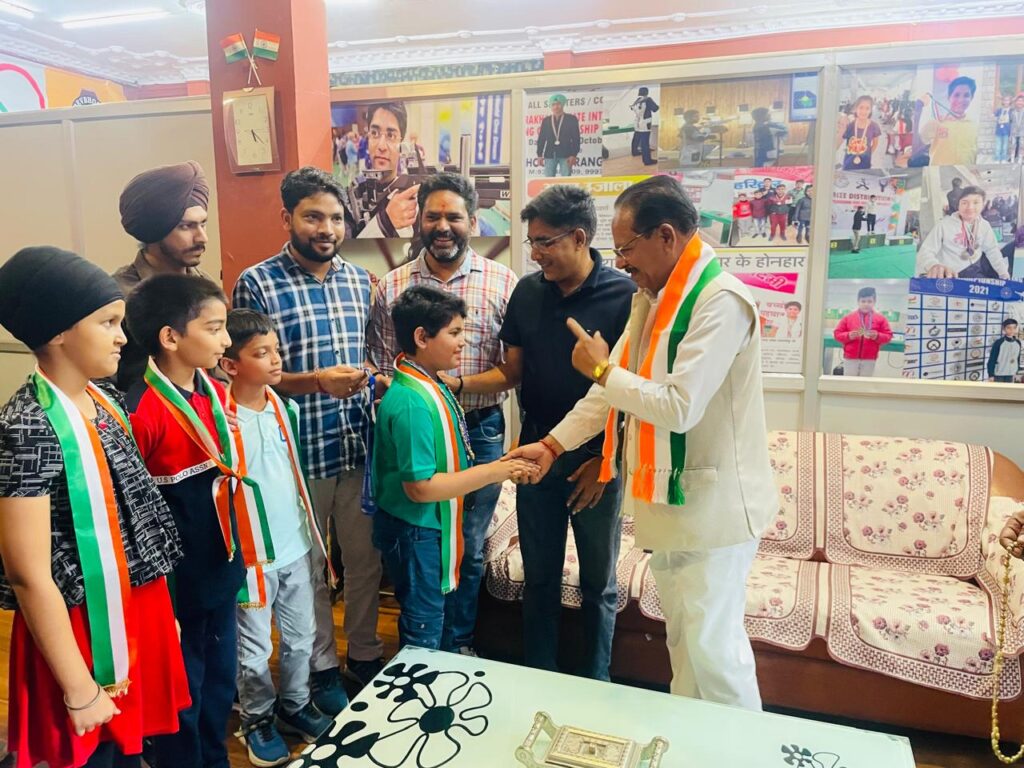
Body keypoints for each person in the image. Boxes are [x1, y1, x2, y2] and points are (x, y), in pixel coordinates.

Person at [507, 175, 777, 710]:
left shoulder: (720, 300)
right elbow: (608, 395)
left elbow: (677, 406)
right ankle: (696, 743)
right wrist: (553, 446)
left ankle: (742, 746)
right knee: (686, 647)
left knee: (716, 654)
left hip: (713, 512)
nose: (622, 261)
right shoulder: (651, 299)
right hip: (673, 508)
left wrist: (602, 369)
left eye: (627, 248)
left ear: (666, 236)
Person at [0, 247, 189, 768]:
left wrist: (163, 614)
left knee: (130, 749)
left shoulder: (104, 398)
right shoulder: (26, 426)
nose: (122, 337)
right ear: (58, 330)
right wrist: (79, 687)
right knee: (94, 758)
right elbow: (28, 572)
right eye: (107, 322)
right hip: (81, 623)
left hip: (136, 603)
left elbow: (136, 514)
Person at [455, 185, 636, 680]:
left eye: (545, 242)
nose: (535, 253)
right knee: (539, 579)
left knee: (599, 584)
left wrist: (606, 463)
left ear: (579, 237)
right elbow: (513, 372)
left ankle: (597, 685)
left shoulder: (625, 297)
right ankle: (540, 678)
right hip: (536, 455)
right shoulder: (528, 292)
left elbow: (633, 394)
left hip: (596, 462)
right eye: (531, 241)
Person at [232, 167, 383, 710]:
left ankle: (363, 653)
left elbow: (374, 356)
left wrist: (374, 378)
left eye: (336, 218)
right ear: (287, 218)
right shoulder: (257, 282)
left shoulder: (361, 281)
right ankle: (321, 668)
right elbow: (252, 374)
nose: (327, 229)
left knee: (365, 562)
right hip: (295, 452)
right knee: (311, 569)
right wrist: (317, 382)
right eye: (313, 217)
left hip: (356, 444)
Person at [368, 172, 517, 655]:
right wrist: (418, 399)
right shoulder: (392, 286)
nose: (443, 226)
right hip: (420, 432)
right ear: (419, 221)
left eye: (454, 216)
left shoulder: (503, 281)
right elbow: (384, 364)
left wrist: (455, 387)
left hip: (478, 427)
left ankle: (456, 646)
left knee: (466, 548)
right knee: (425, 545)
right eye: (432, 216)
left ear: (473, 220)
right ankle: (427, 648)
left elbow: (512, 369)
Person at [372, 286, 538, 651]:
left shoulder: (431, 383)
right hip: (416, 530)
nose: (463, 342)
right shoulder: (413, 401)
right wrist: (498, 470)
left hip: (427, 526)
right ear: (422, 337)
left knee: (436, 615)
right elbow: (422, 487)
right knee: (424, 625)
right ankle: (420, 683)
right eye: (455, 332)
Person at [124, 275, 243, 768]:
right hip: (177, 581)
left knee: (220, 680)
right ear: (170, 337)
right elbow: (132, 509)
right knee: (181, 690)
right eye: (214, 329)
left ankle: (214, 758)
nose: (227, 341)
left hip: (221, 564)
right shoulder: (141, 410)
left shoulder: (214, 392)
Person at [219, 309, 333, 766]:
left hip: (295, 545)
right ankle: (257, 717)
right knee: (254, 647)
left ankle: (296, 702)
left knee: (302, 635)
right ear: (230, 364)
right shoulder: (219, 418)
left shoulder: (286, 408)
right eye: (261, 353)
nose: (275, 360)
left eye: (276, 350)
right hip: (251, 554)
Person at [112, 161, 213, 391]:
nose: (202, 238)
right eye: (186, 226)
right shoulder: (119, 295)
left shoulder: (204, 285)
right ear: (156, 230)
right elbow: (102, 384)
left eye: (203, 224)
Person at [346, 102, 421, 238]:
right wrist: (385, 222)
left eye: (391, 136)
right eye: (374, 133)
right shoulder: (351, 196)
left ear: (401, 144)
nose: (381, 146)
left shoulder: (413, 197)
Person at [916, 185, 1010, 279]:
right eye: (964, 203)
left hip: (977, 268)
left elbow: (992, 250)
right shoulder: (944, 225)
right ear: (958, 205)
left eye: (976, 202)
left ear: (983, 205)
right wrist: (933, 265)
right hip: (952, 274)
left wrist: (1003, 272)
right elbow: (925, 252)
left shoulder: (984, 225)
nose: (970, 207)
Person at [832, 286, 893, 377]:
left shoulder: (881, 319)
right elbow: (837, 334)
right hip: (850, 358)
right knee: (849, 381)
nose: (866, 304)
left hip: (869, 358)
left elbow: (888, 336)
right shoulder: (848, 318)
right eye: (863, 301)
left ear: (874, 302)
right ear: (858, 302)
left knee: (865, 382)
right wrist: (848, 336)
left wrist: (877, 336)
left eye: (869, 301)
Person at [919, 76, 978, 166]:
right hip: (939, 174)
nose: (961, 100)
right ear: (949, 97)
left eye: (966, 95)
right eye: (956, 95)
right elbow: (918, 146)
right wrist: (918, 111)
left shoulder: (974, 125)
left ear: (972, 98)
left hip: (964, 174)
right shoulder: (937, 122)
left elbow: (973, 155)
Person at [536, 94, 582, 177]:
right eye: (553, 104)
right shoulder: (546, 120)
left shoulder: (571, 119)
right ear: (551, 106)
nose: (556, 107)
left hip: (566, 155)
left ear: (563, 104)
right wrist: (539, 155)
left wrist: (574, 155)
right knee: (549, 181)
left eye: (558, 104)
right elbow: (541, 138)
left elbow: (576, 138)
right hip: (550, 155)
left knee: (566, 180)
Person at [841, 96, 881, 170]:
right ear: (856, 109)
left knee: (862, 176)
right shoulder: (850, 125)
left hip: (865, 162)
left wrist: (867, 153)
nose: (863, 111)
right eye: (861, 107)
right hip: (849, 162)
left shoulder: (874, 126)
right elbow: (840, 138)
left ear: (871, 110)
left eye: (867, 108)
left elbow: (875, 143)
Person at [630, 87, 659, 166]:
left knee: (636, 138)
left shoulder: (637, 100)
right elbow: (655, 109)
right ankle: (647, 160)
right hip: (645, 123)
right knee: (645, 142)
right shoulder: (648, 99)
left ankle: (634, 152)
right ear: (647, 92)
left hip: (637, 122)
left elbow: (632, 108)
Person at [988, 318, 1021, 383]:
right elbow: (992, 359)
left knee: (1009, 389)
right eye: (1009, 328)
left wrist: (1017, 371)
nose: (1012, 330)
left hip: (1011, 373)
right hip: (999, 373)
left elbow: (1017, 358)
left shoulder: (1018, 342)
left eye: (1014, 328)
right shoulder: (998, 343)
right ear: (1004, 329)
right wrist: (991, 375)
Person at [995, 95, 1014, 163]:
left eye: (1007, 100)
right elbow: (994, 115)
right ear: (1002, 101)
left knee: (1005, 146)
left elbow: (1012, 121)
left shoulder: (1011, 110)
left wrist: (1011, 133)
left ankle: (1003, 158)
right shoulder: (1000, 110)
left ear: (1010, 102)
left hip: (1006, 131)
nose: (1006, 102)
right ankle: (997, 158)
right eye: (1004, 100)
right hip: (999, 131)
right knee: (998, 145)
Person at [1011, 94, 1024, 163]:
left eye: (1021, 101)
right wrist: (1014, 99)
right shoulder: (1013, 111)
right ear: (1016, 102)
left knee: (1022, 145)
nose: (1020, 102)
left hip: (1022, 131)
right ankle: (1012, 157)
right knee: (1013, 144)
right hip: (1014, 131)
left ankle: (1020, 157)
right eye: (1018, 101)